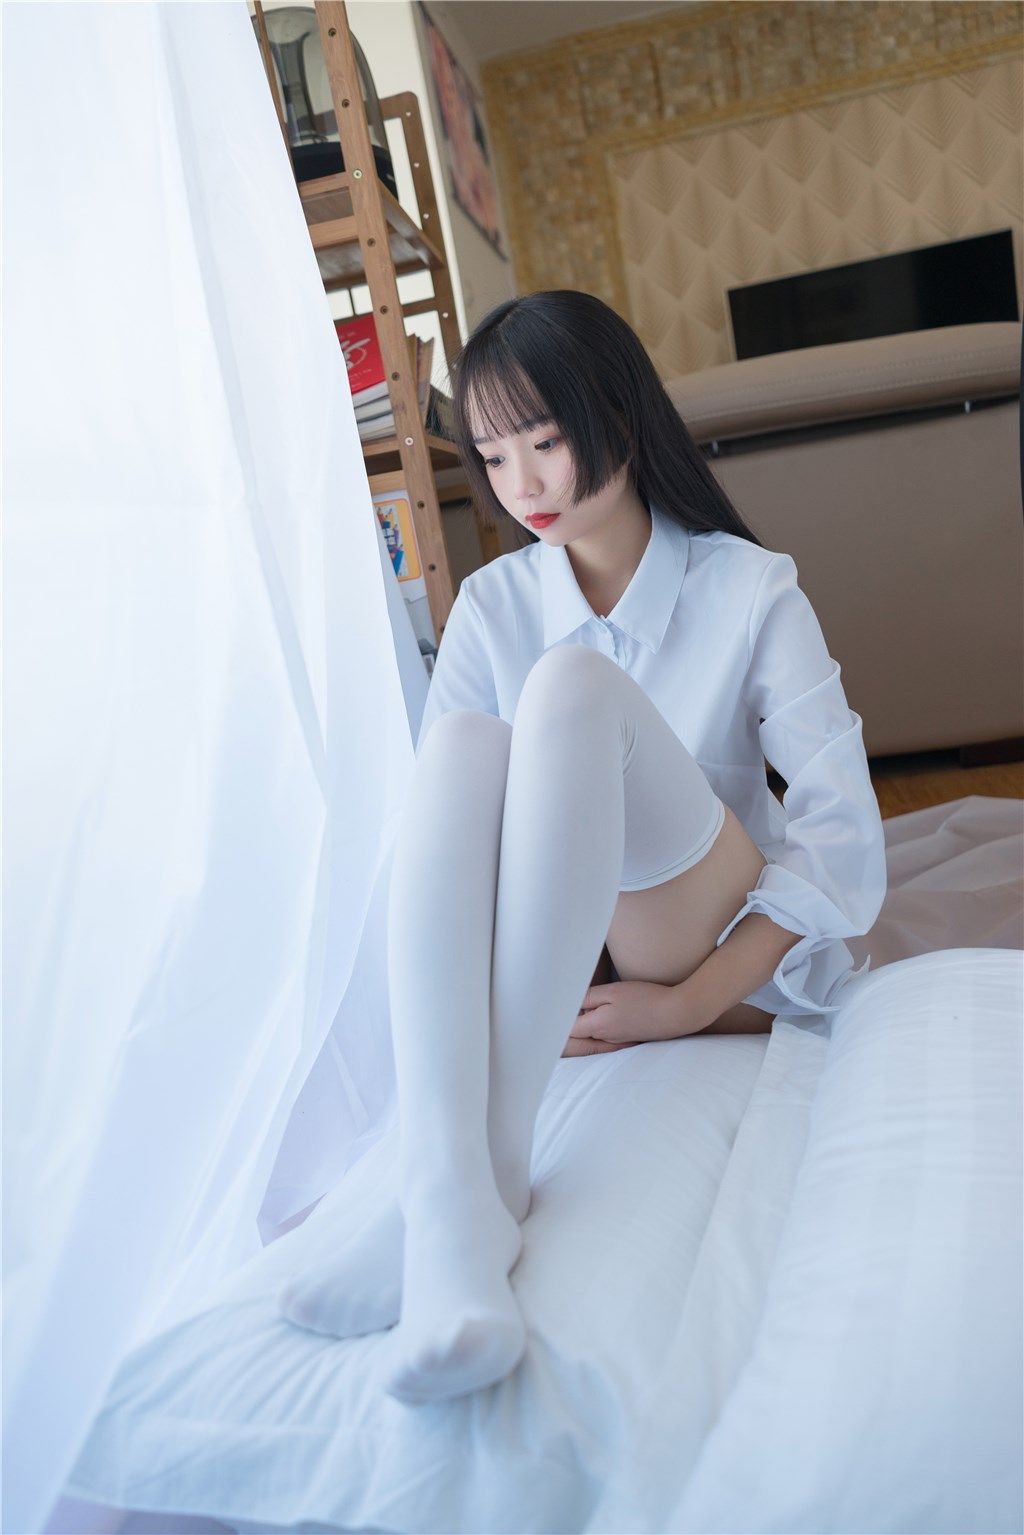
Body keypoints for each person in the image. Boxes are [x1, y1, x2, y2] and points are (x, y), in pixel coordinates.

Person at [278, 289, 888, 1405]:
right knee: (461, 742)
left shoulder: (748, 586)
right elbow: (448, 847)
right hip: (565, 961)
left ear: (619, 413)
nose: (523, 485)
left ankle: (485, 1174)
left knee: (567, 685)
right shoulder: (493, 604)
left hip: (706, 950)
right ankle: (446, 1181)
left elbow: (842, 840)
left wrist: (687, 1002)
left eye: (546, 440)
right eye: (493, 456)